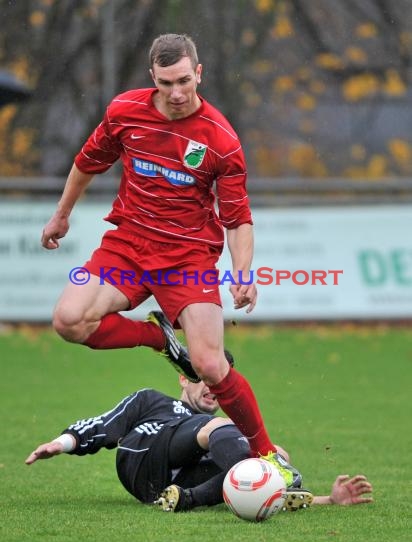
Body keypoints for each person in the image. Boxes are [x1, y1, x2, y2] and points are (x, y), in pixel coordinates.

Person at [40, 33, 296, 484]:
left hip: (187, 258)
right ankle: (158, 339)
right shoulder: (124, 111)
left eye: (183, 81)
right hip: (129, 245)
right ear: (151, 78)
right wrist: (61, 216)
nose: (176, 93)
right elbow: (87, 162)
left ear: (199, 73)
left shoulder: (220, 139)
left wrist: (242, 273)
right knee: (68, 320)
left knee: (211, 365)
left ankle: (267, 455)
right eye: (165, 83)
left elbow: (237, 217)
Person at [25, 359, 373, 513]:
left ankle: (186, 500)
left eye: (219, 383)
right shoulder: (152, 401)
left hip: (167, 487)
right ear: (182, 378)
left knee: (267, 450)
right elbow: (105, 424)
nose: (211, 387)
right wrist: (62, 443)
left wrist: (329, 499)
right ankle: (283, 479)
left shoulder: (218, 433)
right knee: (232, 434)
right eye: (204, 377)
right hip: (142, 460)